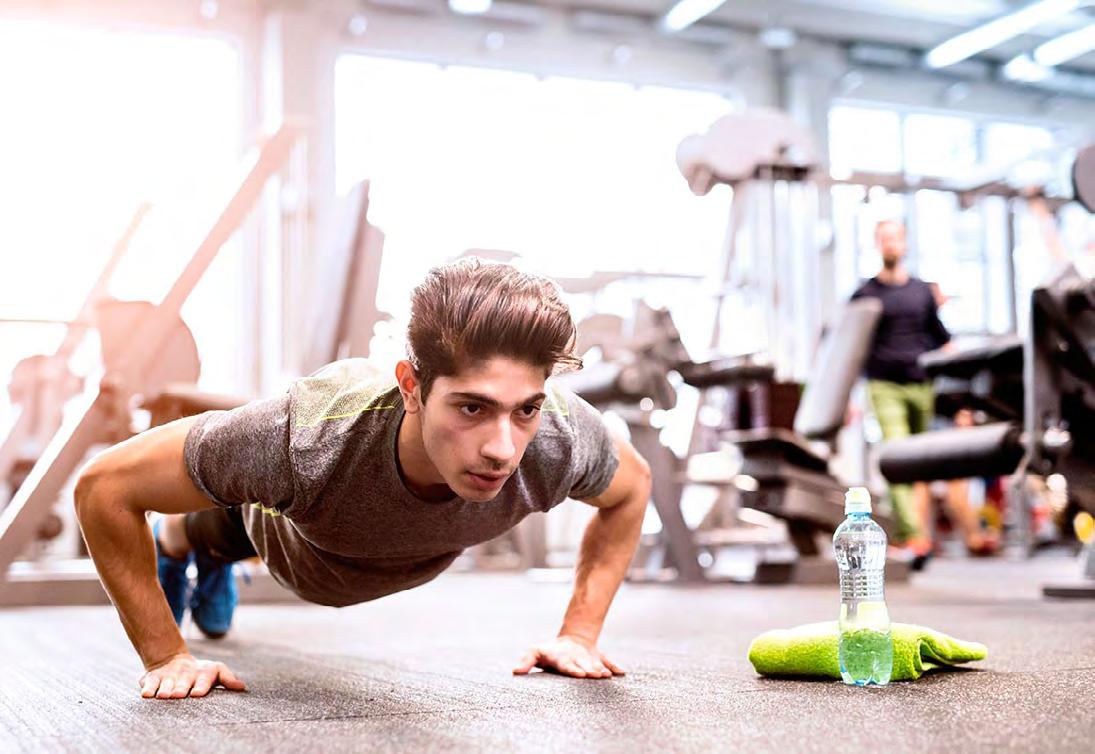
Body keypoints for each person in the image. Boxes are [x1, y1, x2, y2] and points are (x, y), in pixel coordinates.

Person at [74, 258, 652, 700]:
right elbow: (103, 487)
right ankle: (178, 547)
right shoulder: (302, 439)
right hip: (291, 540)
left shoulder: (559, 436)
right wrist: (165, 656)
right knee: (215, 527)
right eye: (472, 408)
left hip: (362, 536)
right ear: (412, 387)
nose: (503, 450)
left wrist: (578, 634)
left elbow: (631, 489)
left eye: (524, 409)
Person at [852, 220, 995, 560]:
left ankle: (923, 533)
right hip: (884, 385)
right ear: (877, 244)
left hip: (920, 385)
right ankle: (914, 536)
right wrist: (848, 398)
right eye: (884, 239)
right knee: (897, 453)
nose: (890, 244)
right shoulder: (865, 295)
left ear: (904, 244)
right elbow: (851, 347)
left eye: (896, 238)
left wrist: (967, 389)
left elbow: (941, 339)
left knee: (921, 465)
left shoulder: (920, 292)